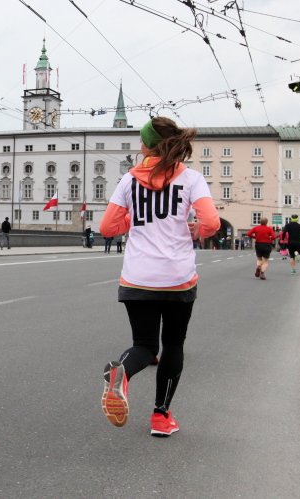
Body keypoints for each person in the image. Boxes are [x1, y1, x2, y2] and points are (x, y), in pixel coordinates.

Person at [99, 117, 219, 437]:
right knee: (173, 344)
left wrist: (134, 219)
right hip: (178, 278)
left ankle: (121, 374)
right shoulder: (191, 178)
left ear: (148, 145)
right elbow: (211, 224)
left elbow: (107, 228)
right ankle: (161, 417)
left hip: (138, 277)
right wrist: (199, 230)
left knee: (144, 344)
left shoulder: (129, 180)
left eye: (141, 140)